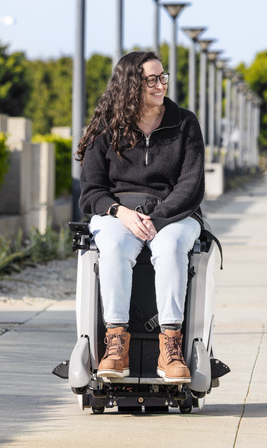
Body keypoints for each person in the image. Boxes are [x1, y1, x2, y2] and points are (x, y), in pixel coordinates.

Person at [76, 50, 205, 384]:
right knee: (114, 245)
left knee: (173, 245)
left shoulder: (185, 122)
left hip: (173, 212)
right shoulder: (106, 127)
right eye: (152, 79)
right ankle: (116, 344)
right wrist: (120, 213)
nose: (161, 84)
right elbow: (91, 192)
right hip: (119, 212)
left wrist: (158, 220)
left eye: (163, 77)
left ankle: (170, 347)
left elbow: (191, 186)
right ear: (130, 84)